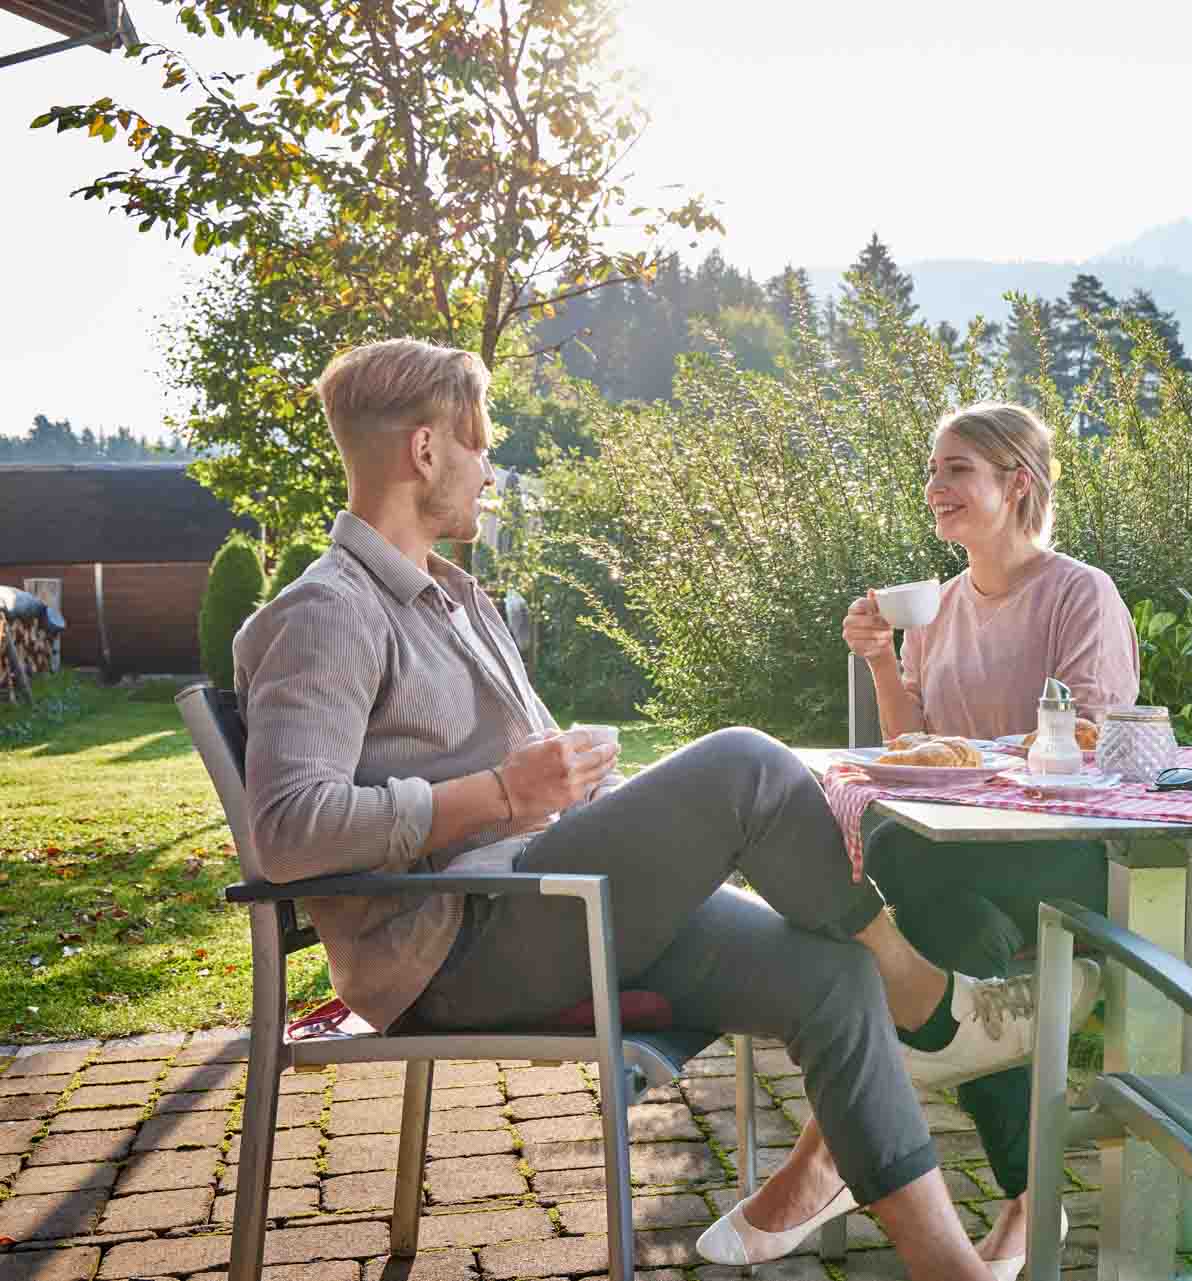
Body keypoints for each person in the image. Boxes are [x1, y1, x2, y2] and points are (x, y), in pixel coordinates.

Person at [232, 340, 1098, 1281]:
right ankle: (930, 1000)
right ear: (427, 451)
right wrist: (504, 793)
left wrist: (585, 789)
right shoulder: (328, 611)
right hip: (460, 944)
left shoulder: (456, 599)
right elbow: (286, 828)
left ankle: (951, 1269)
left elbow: (527, 786)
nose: (493, 471)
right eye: (482, 448)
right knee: (744, 764)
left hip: (552, 899)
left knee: (833, 977)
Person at [830, 401, 1141, 1277]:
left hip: (1061, 851)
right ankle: (1028, 1200)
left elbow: (1092, 739)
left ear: (1018, 484)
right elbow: (910, 745)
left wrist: (980, 767)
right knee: (958, 923)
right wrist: (886, 659)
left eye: (956, 469)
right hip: (956, 857)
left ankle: (848, 1129)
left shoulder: (1081, 593)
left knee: (898, 850)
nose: (935, 488)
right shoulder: (936, 606)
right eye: (933, 470)